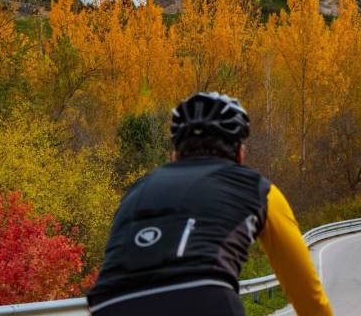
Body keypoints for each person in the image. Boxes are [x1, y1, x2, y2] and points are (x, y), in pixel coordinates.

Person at [86, 92, 333, 316]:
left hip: (111, 304)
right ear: (239, 154)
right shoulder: (259, 189)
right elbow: (304, 290)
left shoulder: (137, 190)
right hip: (202, 299)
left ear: (174, 155)